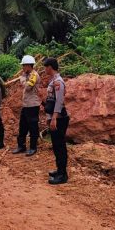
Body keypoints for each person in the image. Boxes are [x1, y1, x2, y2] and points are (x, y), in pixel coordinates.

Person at [43, 57, 70, 185]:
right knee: (56, 145)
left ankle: (63, 175)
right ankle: (59, 170)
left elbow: (59, 102)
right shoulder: (53, 81)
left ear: (50, 67)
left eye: (45, 67)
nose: (44, 69)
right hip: (54, 117)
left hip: (59, 118)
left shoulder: (58, 82)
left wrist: (54, 118)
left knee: (60, 146)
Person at [12, 55, 41, 157]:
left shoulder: (34, 75)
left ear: (29, 65)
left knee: (33, 127)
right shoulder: (27, 75)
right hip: (26, 105)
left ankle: (33, 147)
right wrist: (24, 78)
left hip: (33, 105)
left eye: (24, 66)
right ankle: (21, 146)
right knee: (22, 126)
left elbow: (28, 87)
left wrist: (22, 79)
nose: (23, 68)